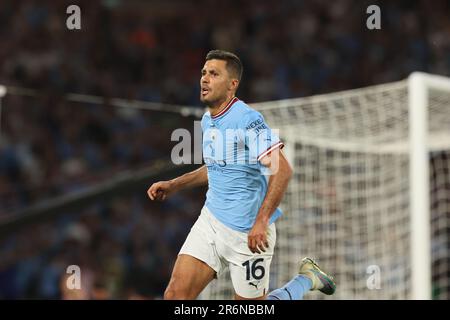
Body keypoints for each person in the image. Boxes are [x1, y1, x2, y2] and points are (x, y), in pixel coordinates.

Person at [148, 50, 335, 300]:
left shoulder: (247, 120)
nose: (204, 79)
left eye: (214, 74)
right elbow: (215, 167)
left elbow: (283, 169)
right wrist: (173, 185)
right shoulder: (208, 120)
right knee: (174, 296)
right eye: (204, 73)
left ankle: (306, 279)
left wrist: (261, 221)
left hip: (248, 234)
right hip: (211, 223)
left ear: (232, 85)